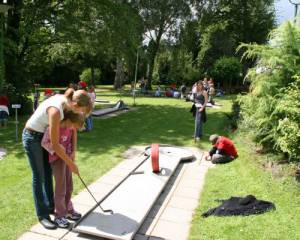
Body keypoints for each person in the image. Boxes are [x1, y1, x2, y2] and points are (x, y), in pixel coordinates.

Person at [22, 89, 92, 230]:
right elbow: (55, 144)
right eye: (81, 111)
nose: (80, 114)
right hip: (32, 137)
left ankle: (54, 209)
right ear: (75, 105)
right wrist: (71, 163)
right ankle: (43, 215)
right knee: (39, 176)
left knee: (48, 176)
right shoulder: (56, 111)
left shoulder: (67, 102)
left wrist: (73, 153)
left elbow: (71, 131)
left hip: (42, 137)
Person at [42, 111, 85, 228]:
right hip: (57, 160)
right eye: (73, 126)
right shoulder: (54, 127)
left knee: (69, 186)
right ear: (69, 120)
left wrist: (71, 153)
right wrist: (56, 149)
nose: (73, 129)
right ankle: (59, 215)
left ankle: (68, 210)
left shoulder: (70, 128)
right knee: (61, 187)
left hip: (66, 159)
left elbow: (70, 142)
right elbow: (44, 142)